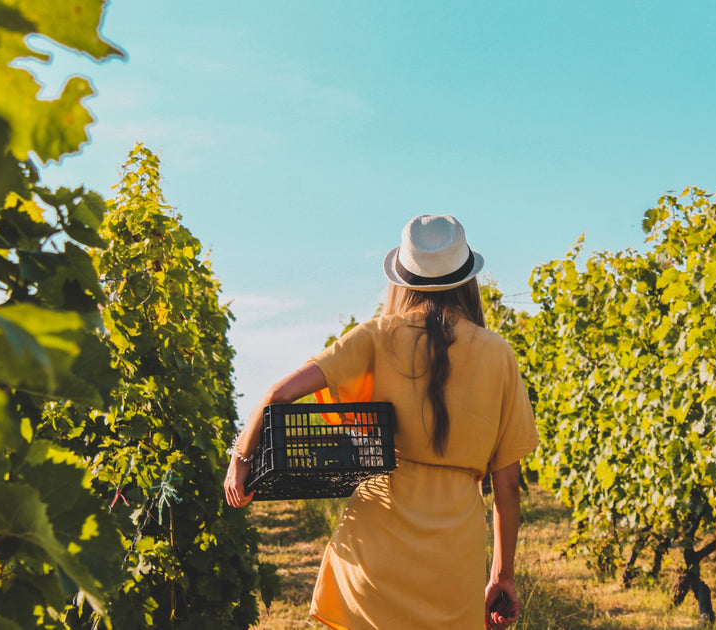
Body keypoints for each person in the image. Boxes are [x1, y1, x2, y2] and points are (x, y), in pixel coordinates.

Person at [224, 215, 539, 630]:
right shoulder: (498, 354)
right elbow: (508, 485)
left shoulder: (375, 335)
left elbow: (277, 394)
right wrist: (502, 576)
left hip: (374, 551)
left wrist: (241, 457)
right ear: (467, 280)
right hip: (453, 561)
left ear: (403, 280)